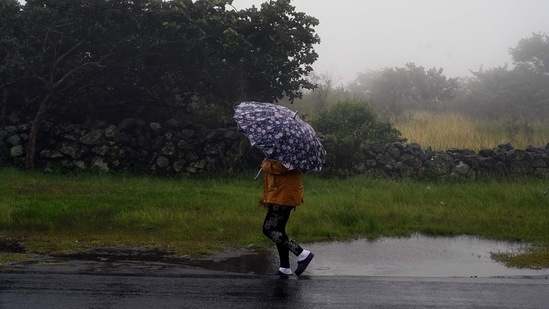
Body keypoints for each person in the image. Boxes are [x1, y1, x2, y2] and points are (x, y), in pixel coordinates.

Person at [260, 158, 314, 277]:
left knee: (269, 229)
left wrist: (266, 164)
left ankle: (301, 253)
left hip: (282, 197)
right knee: (279, 231)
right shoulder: (291, 151)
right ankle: (285, 267)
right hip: (285, 195)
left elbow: (282, 167)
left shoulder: (288, 153)